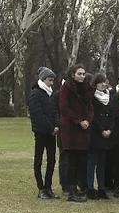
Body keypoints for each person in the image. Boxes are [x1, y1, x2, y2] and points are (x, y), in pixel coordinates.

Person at [58, 64, 94, 202]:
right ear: (73, 74)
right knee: (71, 161)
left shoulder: (86, 89)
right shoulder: (66, 88)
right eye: (79, 74)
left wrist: (87, 120)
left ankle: (83, 188)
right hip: (71, 129)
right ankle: (71, 190)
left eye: (83, 74)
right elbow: (64, 107)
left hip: (84, 129)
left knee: (83, 161)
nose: (82, 76)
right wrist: (79, 121)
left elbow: (90, 107)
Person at [27, 67, 61, 199]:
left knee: (51, 160)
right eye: (49, 80)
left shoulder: (50, 94)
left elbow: (55, 112)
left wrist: (57, 125)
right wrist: (51, 127)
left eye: (52, 80)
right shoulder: (35, 93)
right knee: (39, 160)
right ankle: (41, 188)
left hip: (52, 133)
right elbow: (38, 114)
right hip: (41, 132)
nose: (52, 83)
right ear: (43, 79)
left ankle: (48, 187)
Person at [86, 74, 114, 200]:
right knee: (92, 162)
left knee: (102, 163)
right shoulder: (92, 98)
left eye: (105, 82)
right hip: (95, 133)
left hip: (106, 134)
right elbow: (93, 116)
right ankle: (90, 188)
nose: (103, 84)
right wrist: (102, 129)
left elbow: (112, 116)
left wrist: (110, 129)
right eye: (100, 82)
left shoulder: (108, 98)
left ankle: (102, 188)